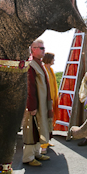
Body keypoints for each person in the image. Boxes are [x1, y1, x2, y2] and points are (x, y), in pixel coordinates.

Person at [22, 39, 52, 167]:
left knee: (39, 128)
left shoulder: (38, 63)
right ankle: (28, 157)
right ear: (32, 49)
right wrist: (32, 106)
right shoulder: (30, 65)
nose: (43, 50)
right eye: (41, 48)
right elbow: (30, 88)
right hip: (34, 106)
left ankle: (36, 153)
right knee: (31, 130)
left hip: (41, 105)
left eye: (43, 48)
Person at [42, 52, 58, 154]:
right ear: (49, 59)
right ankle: (43, 144)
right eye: (53, 59)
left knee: (50, 120)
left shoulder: (50, 70)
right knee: (45, 121)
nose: (54, 61)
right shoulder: (43, 70)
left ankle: (47, 141)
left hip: (51, 100)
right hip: (45, 100)